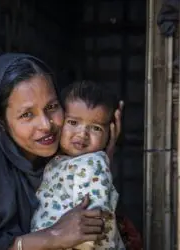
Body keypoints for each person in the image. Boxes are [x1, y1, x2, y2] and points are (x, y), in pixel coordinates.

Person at [0, 53, 123, 250]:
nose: (46, 124)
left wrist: (99, 158)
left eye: (52, 106)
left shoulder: (61, 158)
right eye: (27, 114)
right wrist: (52, 236)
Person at [31, 80, 125, 250]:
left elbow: (93, 219)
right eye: (73, 123)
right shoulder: (58, 160)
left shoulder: (93, 164)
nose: (82, 134)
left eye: (95, 128)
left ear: (109, 134)